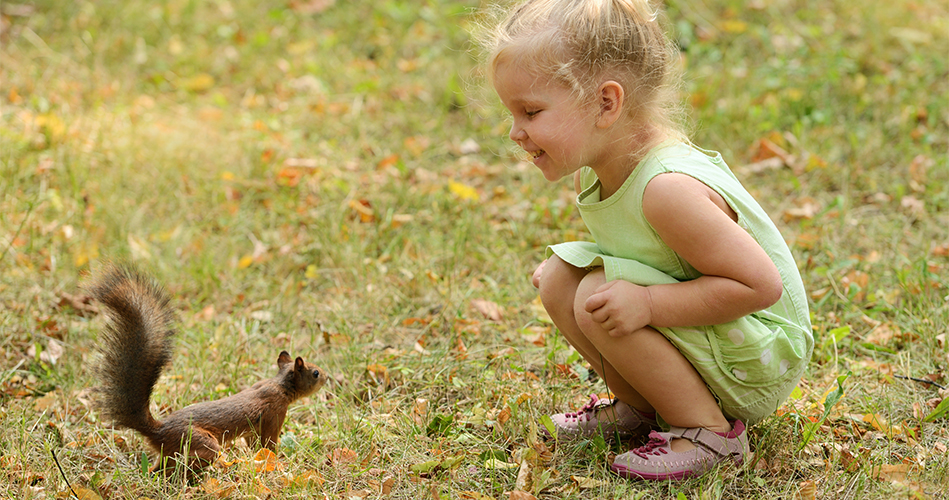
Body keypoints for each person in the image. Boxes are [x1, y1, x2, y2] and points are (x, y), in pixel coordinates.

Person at [484, 0, 812, 480]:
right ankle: (643, 409)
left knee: (598, 294)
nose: (516, 132)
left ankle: (709, 433)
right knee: (560, 277)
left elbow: (760, 287)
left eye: (531, 111)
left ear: (606, 103)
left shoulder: (667, 188)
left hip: (760, 357)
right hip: (716, 338)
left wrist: (650, 305)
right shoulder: (599, 172)